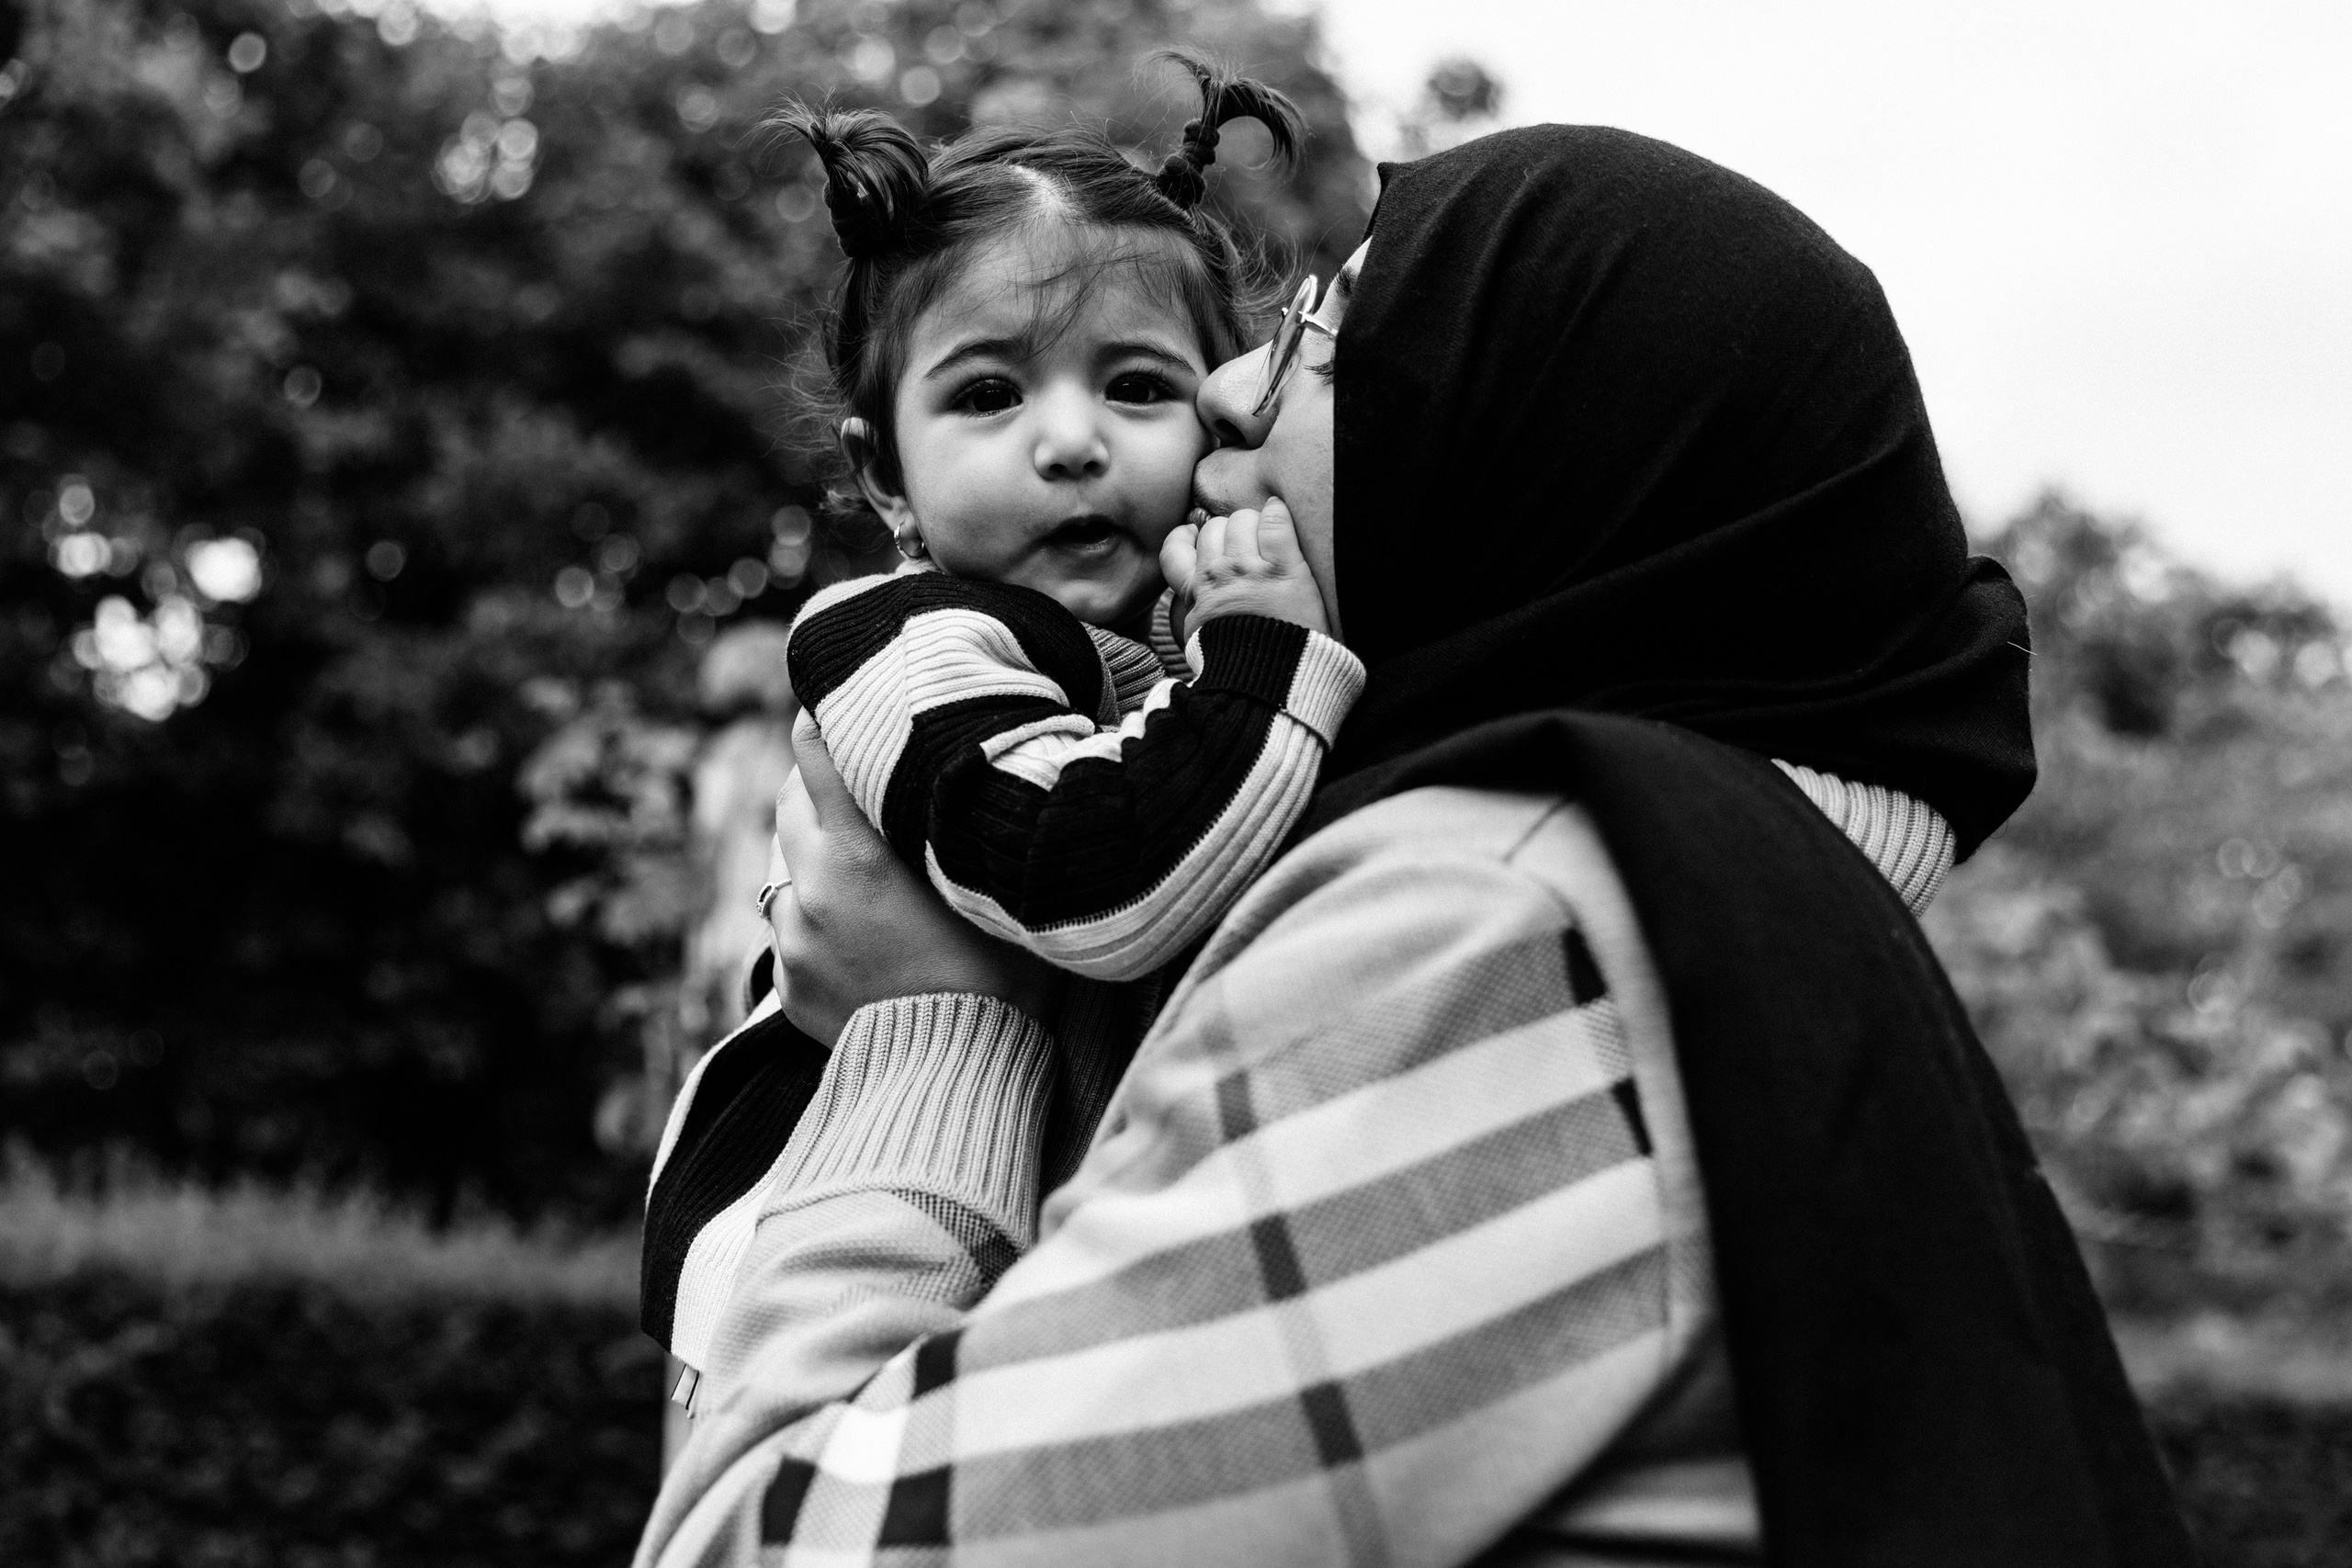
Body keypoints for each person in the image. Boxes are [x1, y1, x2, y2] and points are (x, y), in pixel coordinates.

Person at [636, 126, 2197, 1566]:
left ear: (1528, 443)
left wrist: (927, 1023)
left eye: (1332, 333)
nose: (1237, 387)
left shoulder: (1492, 929)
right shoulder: (1703, 905)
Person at [637, 61, 1366, 1394]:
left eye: (1138, 387)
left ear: (1217, 410)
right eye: (989, 396)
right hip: (823, 1258)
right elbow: (1095, 873)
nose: (1073, 440)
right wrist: (1273, 653)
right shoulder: (903, 640)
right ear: (882, 472)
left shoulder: (1175, 639)